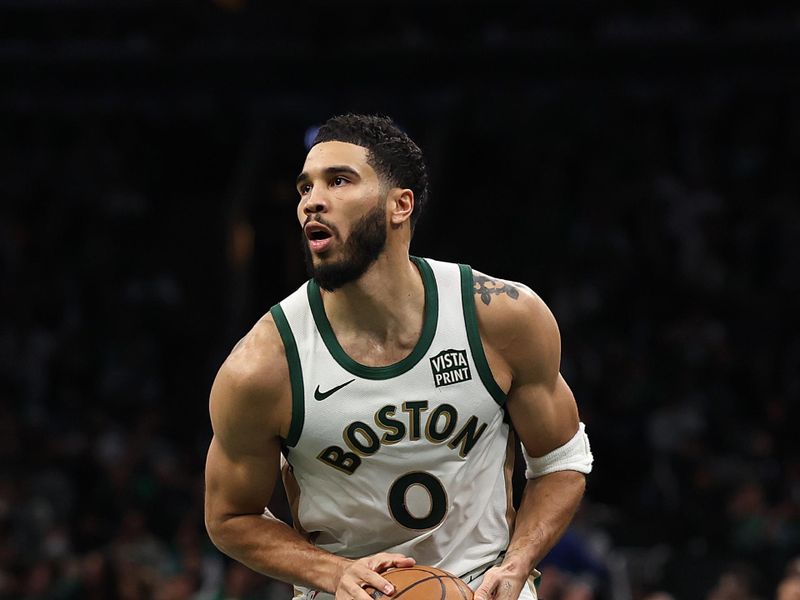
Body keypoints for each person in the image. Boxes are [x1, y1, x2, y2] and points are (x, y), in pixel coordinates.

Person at [204, 113, 593, 600]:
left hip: (485, 589)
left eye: (339, 181)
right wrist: (333, 572)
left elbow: (560, 459)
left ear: (400, 205)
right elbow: (229, 517)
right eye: (304, 189)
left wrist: (516, 564)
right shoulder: (263, 366)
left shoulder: (499, 317)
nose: (312, 202)